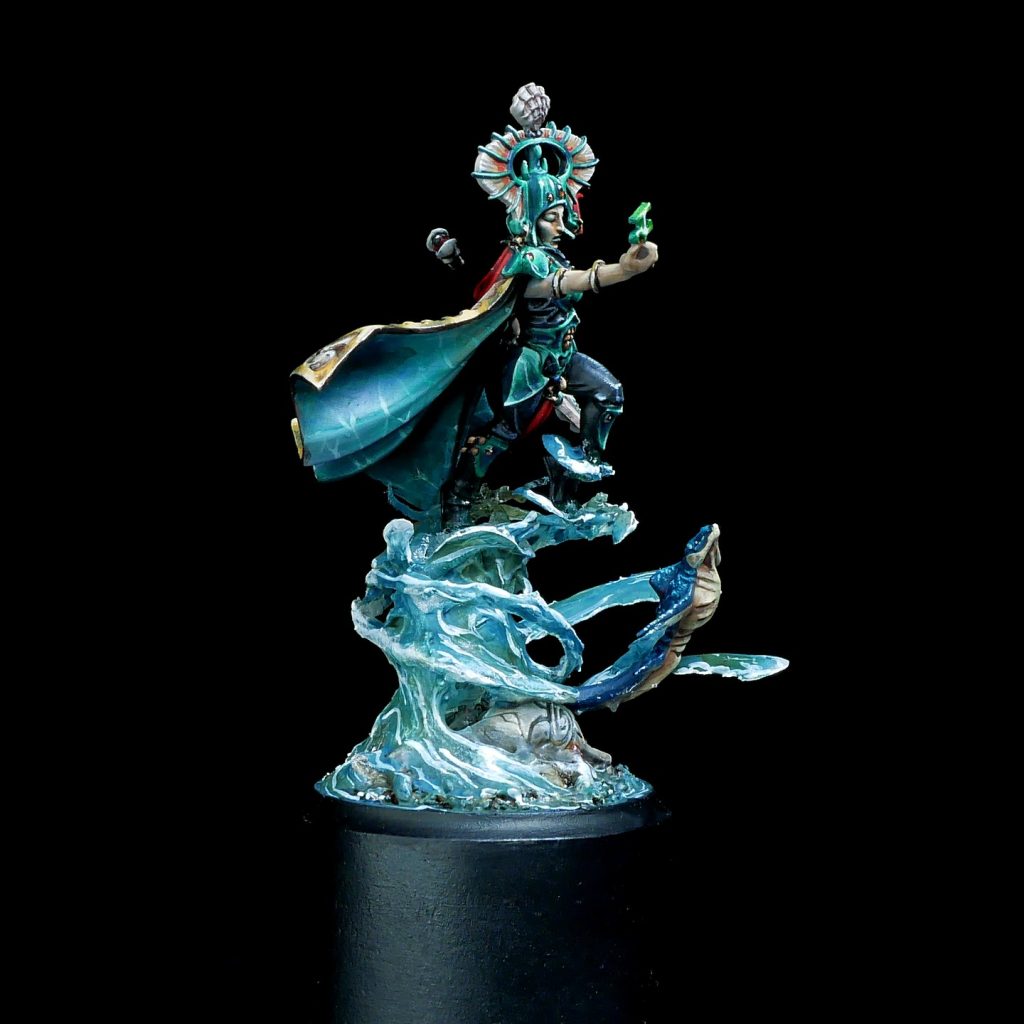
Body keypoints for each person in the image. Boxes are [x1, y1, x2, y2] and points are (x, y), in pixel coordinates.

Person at [290, 83, 657, 525]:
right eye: (550, 217)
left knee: (609, 394)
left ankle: (577, 471)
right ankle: (460, 498)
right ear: (529, 217)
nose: (559, 226)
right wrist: (623, 270)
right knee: (502, 435)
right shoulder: (527, 262)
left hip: (562, 355)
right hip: (529, 364)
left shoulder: (553, 252)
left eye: (562, 216)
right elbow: (564, 284)